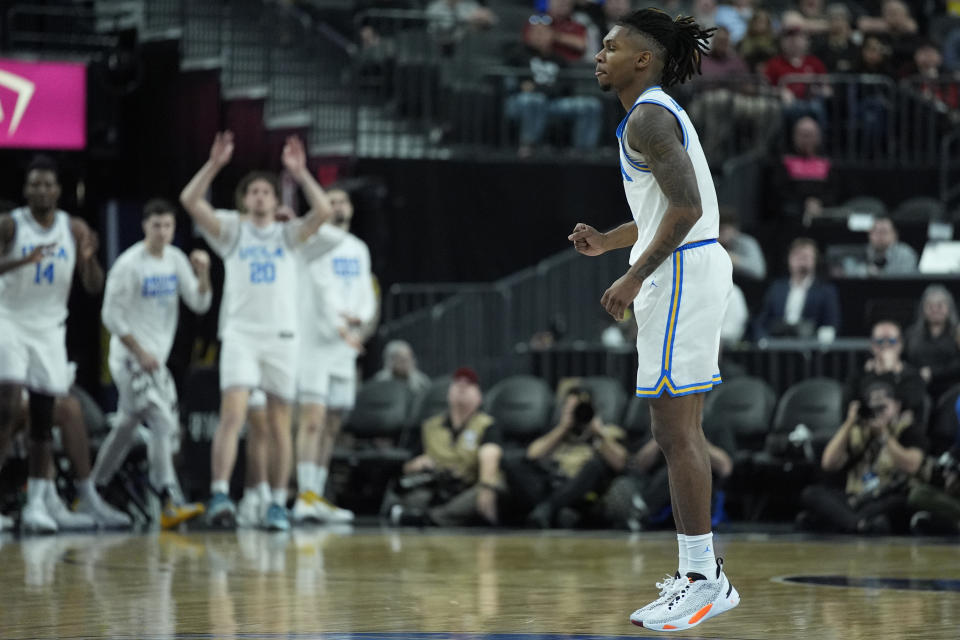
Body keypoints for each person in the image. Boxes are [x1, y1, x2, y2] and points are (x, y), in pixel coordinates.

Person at [568, 8, 739, 631]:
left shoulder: (648, 116)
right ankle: (701, 572)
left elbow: (689, 209)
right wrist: (611, 244)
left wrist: (635, 274)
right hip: (687, 266)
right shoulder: (652, 114)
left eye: (610, 47)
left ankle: (702, 578)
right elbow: (664, 209)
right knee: (676, 430)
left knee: (674, 432)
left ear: (643, 59)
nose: (599, 54)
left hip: (682, 272)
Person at [180, 132, 333, 531]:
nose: (262, 197)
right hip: (241, 335)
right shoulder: (232, 231)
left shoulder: (288, 234)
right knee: (233, 415)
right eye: (255, 192)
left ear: (275, 199)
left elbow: (324, 212)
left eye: (267, 191)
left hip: (281, 336)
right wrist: (214, 164)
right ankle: (218, 495)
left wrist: (300, 174)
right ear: (245, 199)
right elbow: (190, 201)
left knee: (281, 422)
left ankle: (278, 503)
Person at [92, 198, 213, 529]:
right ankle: (168, 498)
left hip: (155, 361)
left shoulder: (174, 259)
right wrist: (139, 351)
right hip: (130, 358)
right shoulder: (129, 264)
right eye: (156, 225)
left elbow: (199, 303)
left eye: (168, 226)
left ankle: (92, 489)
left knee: (127, 425)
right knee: (162, 422)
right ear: (145, 226)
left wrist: (203, 274)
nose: (162, 232)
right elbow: (111, 316)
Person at [0, 156, 105, 533]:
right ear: (25, 190)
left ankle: (37, 503)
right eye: (35, 184)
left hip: (49, 328)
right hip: (9, 320)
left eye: (48, 184)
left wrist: (90, 261)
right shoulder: (11, 225)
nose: (42, 190)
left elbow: (93, 286)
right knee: (9, 405)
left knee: (44, 418)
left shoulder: (72, 228)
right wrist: (21, 261)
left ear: (58, 190)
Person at [293, 188, 377, 525]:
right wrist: (339, 325)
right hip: (316, 344)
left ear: (352, 209)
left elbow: (365, 291)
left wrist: (359, 324)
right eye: (332, 201)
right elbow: (320, 288)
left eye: (343, 201)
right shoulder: (314, 243)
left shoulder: (359, 248)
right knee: (312, 420)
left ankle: (316, 493)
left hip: (346, 347)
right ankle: (303, 495)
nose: (338, 206)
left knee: (332, 424)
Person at [801, 380, 925, 533]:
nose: (878, 413)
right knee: (812, 494)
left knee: (898, 503)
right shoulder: (858, 433)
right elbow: (828, 463)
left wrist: (885, 436)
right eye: (872, 409)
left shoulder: (908, 430)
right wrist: (849, 423)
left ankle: (845, 521)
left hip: (886, 495)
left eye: (883, 407)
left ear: (897, 406)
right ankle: (860, 524)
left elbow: (912, 466)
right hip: (856, 496)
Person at [388, 367, 503, 527]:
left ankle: (430, 519)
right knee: (409, 495)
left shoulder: (486, 425)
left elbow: (490, 453)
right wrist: (417, 464)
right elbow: (407, 465)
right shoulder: (429, 426)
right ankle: (433, 517)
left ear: (479, 397)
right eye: (457, 384)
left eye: (469, 385)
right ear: (448, 393)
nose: (462, 387)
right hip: (437, 486)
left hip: (468, 484)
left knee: (486, 491)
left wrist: (486, 486)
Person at [502, 386, 628, 528]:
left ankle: (548, 509)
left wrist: (597, 433)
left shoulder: (607, 432)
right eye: (571, 408)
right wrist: (563, 428)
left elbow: (621, 464)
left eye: (580, 408)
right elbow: (531, 456)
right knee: (512, 462)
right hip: (552, 484)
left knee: (596, 465)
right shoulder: (557, 433)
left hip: (584, 491)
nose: (577, 413)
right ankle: (554, 510)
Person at [504, 20, 603, 157]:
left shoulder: (559, 60)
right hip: (520, 101)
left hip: (553, 101)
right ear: (529, 35)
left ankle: (583, 152)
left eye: (543, 32)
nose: (539, 36)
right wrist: (543, 89)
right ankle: (529, 147)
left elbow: (566, 86)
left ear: (552, 35)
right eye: (536, 32)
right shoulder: (517, 55)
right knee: (535, 100)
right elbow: (512, 82)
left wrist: (537, 88)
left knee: (591, 105)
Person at [753, 237, 841, 339]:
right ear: (789, 259)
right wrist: (764, 341)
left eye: (806, 257)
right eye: (798, 256)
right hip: (776, 347)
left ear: (815, 260)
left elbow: (831, 325)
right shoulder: (776, 288)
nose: (801, 261)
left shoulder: (826, 291)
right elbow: (761, 321)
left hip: (810, 347)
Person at [847, 320, 928, 421]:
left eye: (892, 341)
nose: (885, 345)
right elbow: (851, 406)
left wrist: (889, 372)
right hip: (867, 431)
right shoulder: (859, 376)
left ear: (900, 345)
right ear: (872, 346)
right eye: (880, 341)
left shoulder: (914, 376)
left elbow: (910, 404)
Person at [772, 116, 838, 224]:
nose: (806, 139)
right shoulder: (785, 161)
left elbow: (834, 190)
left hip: (821, 209)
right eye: (802, 135)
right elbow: (780, 191)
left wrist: (819, 202)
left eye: (809, 135)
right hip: (793, 212)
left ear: (818, 137)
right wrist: (804, 203)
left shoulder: (827, 162)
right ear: (794, 136)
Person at [905, 285, 960, 401]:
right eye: (930, 305)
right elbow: (903, 360)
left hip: (952, 389)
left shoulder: (958, 333)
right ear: (923, 309)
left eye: (940, 305)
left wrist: (933, 373)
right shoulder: (911, 334)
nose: (935, 309)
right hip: (918, 389)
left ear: (949, 307)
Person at [839, 216, 918, 276]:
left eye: (884, 232)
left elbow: (904, 277)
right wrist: (866, 271)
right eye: (875, 232)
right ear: (869, 235)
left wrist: (879, 274)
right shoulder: (862, 251)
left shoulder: (905, 253)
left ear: (895, 235)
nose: (879, 236)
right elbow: (847, 270)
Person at [717, 210, 765, 281]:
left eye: (722, 229)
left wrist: (733, 258)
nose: (719, 234)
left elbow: (759, 271)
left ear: (734, 229)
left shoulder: (746, 242)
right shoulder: (714, 246)